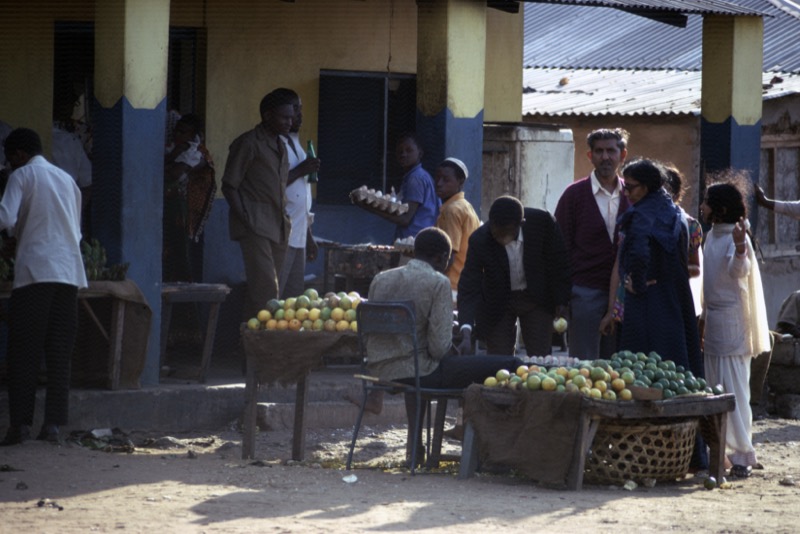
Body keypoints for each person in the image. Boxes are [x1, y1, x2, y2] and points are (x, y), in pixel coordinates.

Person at [366, 227, 521, 457]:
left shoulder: (381, 279)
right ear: (440, 258)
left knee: (423, 365)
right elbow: (438, 349)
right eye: (448, 259)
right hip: (420, 371)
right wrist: (453, 349)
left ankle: (415, 447)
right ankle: (492, 451)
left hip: (382, 370)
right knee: (510, 363)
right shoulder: (438, 282)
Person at [0, 128, 88, 446]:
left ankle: (19, 426)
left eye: (10, 158)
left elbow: (5, 217)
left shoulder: (21, 176)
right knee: (58, 352)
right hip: (68, 274)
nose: (9, 165)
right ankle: (52, 426)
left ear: (19, 155)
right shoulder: (66, 180)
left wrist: (12, 240)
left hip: (35, 273)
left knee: (24, 352)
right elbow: (73, 232)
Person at [700, 171, 772, 478]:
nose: (701, 206)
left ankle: (743, 454)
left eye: (706, 202)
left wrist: (741, 247)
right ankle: (721, 453)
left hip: (732, 323)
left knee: (735, 391)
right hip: (714, 321)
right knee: (714, 388)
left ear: (720, 208)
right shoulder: (711, 234)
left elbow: (738, 270)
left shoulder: (734, 236)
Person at [610, 159, 703, 378]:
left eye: (630, 187)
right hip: (674, 295)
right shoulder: (672, 210)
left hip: (649, 303)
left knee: (643, 368)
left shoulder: (642, 214)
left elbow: (640, 251)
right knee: (675, 362)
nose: (626, 193)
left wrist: (638, 283)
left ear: (646, 186)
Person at [457, 196, 570, 357]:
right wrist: (466, 330)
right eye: (496, 233)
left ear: (521, 224)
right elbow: (469, 285)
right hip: (498, 302)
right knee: (498, 360)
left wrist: (561, 301)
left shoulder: (543, 224)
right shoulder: (479, 240)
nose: (500, 238)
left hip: (536, 298)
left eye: (506, 233)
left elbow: (559, 263)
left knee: (539, 359)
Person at [555, 128, 631, 360]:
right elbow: (560, 247)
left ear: (623, 155)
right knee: (584, 362)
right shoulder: (574, 195)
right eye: (599, 151)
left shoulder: (633, 193)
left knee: (621, 362)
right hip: (585, 291)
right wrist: (562, 296)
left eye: (611, 151)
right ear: (590, 156)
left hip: (626, 292)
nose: (605, 157)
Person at [222, 89, 295, 320]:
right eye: (284, 117)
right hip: (255, 225)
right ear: (267, 115)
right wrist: (245, 218)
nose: (289, 122)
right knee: (267, 291)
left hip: (279, 225)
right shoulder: (248, 143)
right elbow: (229, 185)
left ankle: (248, 345)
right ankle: (266, 349)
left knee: (261, 293)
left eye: (291, 117)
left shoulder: (281, 145)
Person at [351, 132, 439, 240]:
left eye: (409, 150)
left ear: (420, 153)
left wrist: (368, 206)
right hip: (420, 239)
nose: (403, 154)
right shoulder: (422, 175)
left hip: (413, 242)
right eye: (400, 151)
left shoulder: (415, 179)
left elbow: (405, 219)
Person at [277, 89, 320, 299]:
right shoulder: (274, 144)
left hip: (299, 236)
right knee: (274, 297)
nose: (299, 115)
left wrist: (309, 236)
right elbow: (271, 184)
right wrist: (302, 170)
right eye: (295, 109)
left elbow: (302, 198)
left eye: (300, 109)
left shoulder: (296, 143)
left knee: (293, 299)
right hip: (282, 235)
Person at [163, 113, 216, 282]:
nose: (178, 136)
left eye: (183, 132)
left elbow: (175, 174)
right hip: (174, 211)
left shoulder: (196, 153)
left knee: (184, 258)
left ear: (193, 136)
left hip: (187, 214)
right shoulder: (177, 150)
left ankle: (186, 304)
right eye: (176, 132)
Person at [433, 157, 480, 302]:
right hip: (466, 283)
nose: (439, 184)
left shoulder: (452, 211)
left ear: (460, 182)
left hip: (452, 285)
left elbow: (449, 254)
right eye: (438, 178)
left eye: (446, 180)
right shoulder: (465, 205)